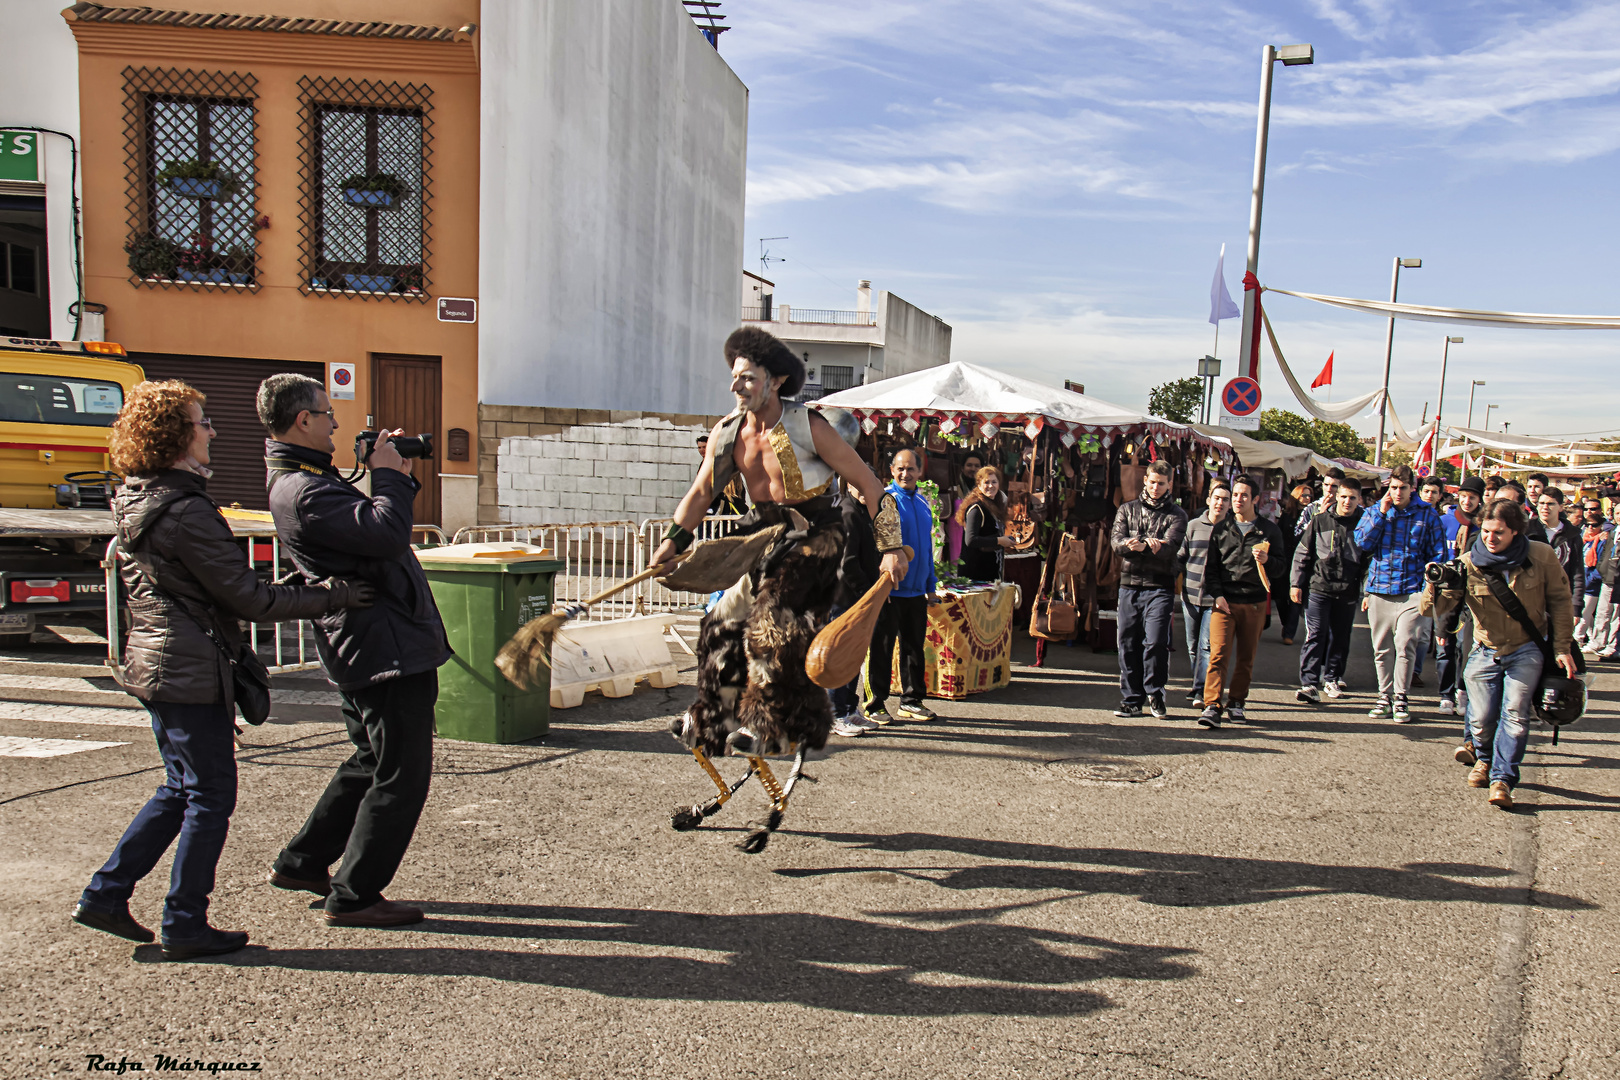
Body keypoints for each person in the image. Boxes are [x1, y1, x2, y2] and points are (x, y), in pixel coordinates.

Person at [75, 381, 371, 959]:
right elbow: (249, 602)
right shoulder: (185, 510)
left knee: (180, 788)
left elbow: (215, 589)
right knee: (209, 795)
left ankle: (107, 893)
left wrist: (287, 590)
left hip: (162, 665)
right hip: (186, 670)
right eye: (201, 421)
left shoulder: (145, 497)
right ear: (175, 436)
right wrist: (335, 595)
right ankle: (184, 922)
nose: (212, 430)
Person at [649, 326, 908, 848]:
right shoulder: (728, 434)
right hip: (763, 538)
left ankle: (774, 728)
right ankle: (715, 719)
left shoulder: (810, 427)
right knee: (719, 625)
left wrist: (892, 546)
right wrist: (672, 542)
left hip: (819, 537)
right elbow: (701, 492)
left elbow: (870, 486)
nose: (736, 386)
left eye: (747, 377)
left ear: (776, 380)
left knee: (773, 625)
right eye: (734, 377)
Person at [259, 374, 451, 928]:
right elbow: (389, 534)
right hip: (382, 649)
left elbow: (366, 535)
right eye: (326, 414)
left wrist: (380, 474)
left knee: (370, 759)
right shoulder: (304, 489)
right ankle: (356, 893)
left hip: (371, 641)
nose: (334, 423)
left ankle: (303, 862)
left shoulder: (309, 481)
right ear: (302, 421)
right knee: (401, 772)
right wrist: (390, 477)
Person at [1421, 498, 1576, 810]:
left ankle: (1503, 779)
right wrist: (1436, 584)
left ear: (1515, 532)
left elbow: (1560, 601)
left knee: (1515, 716)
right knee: (1479, 719)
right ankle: (1484, 758)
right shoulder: (1468, 563)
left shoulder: (1541, 555)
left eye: (1499, 533)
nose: (1490, 538)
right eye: (1486, 531)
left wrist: (1561, 649)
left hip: (1526, 649)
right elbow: (1432, 610)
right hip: (1484, 649)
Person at [1354, 465, 1447, 723]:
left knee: (1405, 644)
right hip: (1380, 588)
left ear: (1412, 488)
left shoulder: (1427, 514)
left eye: (1402, 488)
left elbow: (1439, 552)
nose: (1396, 493)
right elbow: (1362, 543)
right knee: (1381, 648)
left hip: (1413, 589)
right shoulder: (1376, 511)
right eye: (1393, 487)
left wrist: (1432, 580)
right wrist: (1381, 514)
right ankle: (1384, 696)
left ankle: (1401, 697)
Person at [1198, 474, 1283, 728]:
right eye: (1235, 495)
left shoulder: (1268, 531)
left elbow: (1281, 569)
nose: (1237, 500)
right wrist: (1218, 595)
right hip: (1224, 602)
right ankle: (1212, 705)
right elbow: (1210, 568)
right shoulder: (1222, 529)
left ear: (1255, 499)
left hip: (1254, 602)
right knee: (1218, 654)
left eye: (1243, 495)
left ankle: (1237, 702)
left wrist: (1268, 561)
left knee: (1246, 657)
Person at [1109, 459, 1189, 719]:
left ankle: (1155, 691)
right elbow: (1116, 543)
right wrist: (1137, 545)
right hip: (1129, 584)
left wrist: (1147, 546)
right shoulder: (1127, 509)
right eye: (1152, 482)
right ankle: (1132, 698)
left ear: (1170, 484)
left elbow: (1170, 548)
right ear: (1145, 480)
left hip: (1160, 586)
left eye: (1161, 484)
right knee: (1127, 642)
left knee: (1155, 642)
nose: (1156, 487)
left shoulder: (1177, 514)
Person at [865, 448, 940, 722]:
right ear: (892, 471)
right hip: (890, 590)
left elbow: (927, 549)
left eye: (910, 469)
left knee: (913, 648)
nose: (905, 474)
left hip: (916, 592)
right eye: (900, 468)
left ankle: (911, 700)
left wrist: (930, 586)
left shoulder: (923, 504)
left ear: (920, 472)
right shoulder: (885, 500)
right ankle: (875, 703)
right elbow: (876, 547)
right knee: (882, 647)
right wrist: (879, 586)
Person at [1291, 481, 1365, 703]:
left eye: (1352, 498)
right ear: (1337, 497)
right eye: (1343, 497)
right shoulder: (1320, 520)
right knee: (1315, 634)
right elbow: (1302, 553)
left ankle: (1332, 677)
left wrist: (1367, 592)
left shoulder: (1364, 524)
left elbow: (1369, 559)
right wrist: (1296, 583)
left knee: (1339, 637)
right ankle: (1309, 683)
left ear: (1359, 499)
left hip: (1348, 590)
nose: (1347, 502)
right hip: (1319, 587)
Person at [1178, 479, 1230, 708]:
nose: (1220, 503)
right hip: (1190, 595)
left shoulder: (1231, 530)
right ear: (1209, 500)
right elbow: (1182, 556)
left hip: (1215, 598)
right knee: (1192, 645)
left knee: (1206, 646)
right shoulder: (1193, 525)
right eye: (1217, 498)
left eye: (1225, 500)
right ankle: (1199, 684)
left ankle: (1202, 690)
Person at [1437, 476, 1484, 726]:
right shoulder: (1444, 521)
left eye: (1473, 497)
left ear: (1480, 500)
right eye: (1464, 496)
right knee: (1445, 642)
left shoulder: (1483, 525)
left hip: (1472, 593)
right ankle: (1445, 694)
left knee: (1466, 649)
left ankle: (1462, 691)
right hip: (1446, 589)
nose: (1467, 501)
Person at [956, 465, 1013, 583]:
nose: (991, 486)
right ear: (979, 484)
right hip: (975, 575)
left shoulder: (993, 506)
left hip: (989, 573)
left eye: (994, 482)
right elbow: (970, 540)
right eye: (986, 482)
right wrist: (999, 540)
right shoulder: (977, 509)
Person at [1274, 483, 1311, 644]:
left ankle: (1289, 632)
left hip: (1303, 562)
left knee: (1297, 597)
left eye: (1310, 496)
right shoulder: (1287, 515)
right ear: (1296, 496)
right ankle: (1286, 623)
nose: (1308, 498)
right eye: (1304, 495)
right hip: (1286, 559)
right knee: (1281, 597)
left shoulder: (1312, 516)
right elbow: (1279, 535)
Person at [1575, 496, 1612, 647]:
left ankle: (1577, 638)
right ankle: (1590, 638)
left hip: (1592, 582)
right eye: (1587, 524)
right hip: (1581, 577)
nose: (1590, 527)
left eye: (1594, 525)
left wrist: (1591, 579)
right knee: (1587, 615)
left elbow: (1601, 563)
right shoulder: (1582, 537)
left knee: (1584, 613)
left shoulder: (1604, 538)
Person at [1536, 487, 1584, 600]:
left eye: (1550, 504)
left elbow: (1577, 572)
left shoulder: (1572, 535)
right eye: (1541, 503)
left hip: (1560, 596)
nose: (1545, 507)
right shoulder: (1527, 530)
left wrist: (1576, 605)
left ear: (1561, 507)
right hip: (1531, 595)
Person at [1588, 501, 1620, 661]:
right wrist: (1602, 568)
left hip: (1618, 579)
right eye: (1617, 513)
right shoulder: (1613, 532)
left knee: (1616, 615)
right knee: (1602, 612)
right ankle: (1597, 642)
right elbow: (1607, 552)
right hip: (1608, 576)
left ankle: (1612, 645)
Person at [697, 434, 747, 516]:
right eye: (699, 447)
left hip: (724, 503)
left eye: (704, 447)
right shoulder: (705, 464)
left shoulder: (717, 463)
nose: (702, 450)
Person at [1294, 467, 1344, 540]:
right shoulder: (1311, 508)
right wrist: (1318, 518)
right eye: (1326, 485)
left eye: (1333, 486)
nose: (1329, 489)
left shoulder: (1348, 508)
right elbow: (1298, 535)